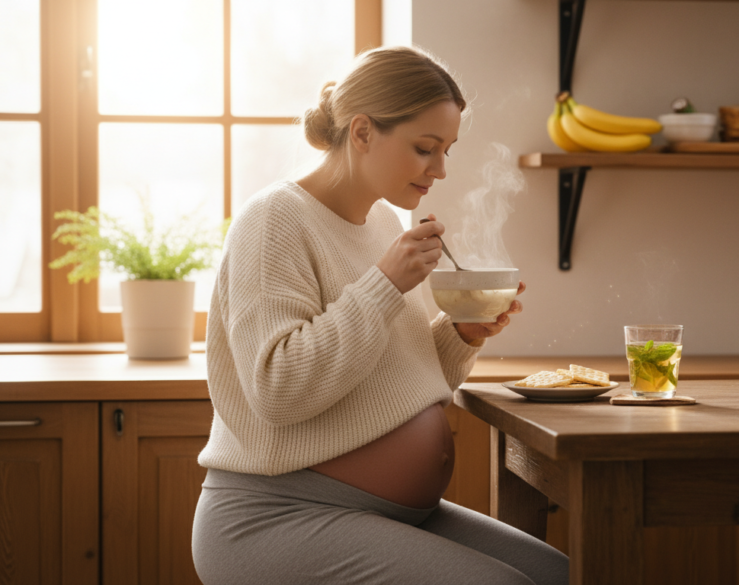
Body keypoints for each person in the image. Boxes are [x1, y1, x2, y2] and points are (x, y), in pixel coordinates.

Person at [191, 46, 569, 585]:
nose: (440, 169)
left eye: (447, 150)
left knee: (569, 576)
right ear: (363, 132)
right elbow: (278, 390)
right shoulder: (275, 220)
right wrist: (385, 284)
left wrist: (459, 335)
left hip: (388, 514)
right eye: (425, 148)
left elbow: (396, 377)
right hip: (276, 516)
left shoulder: (385, 225)